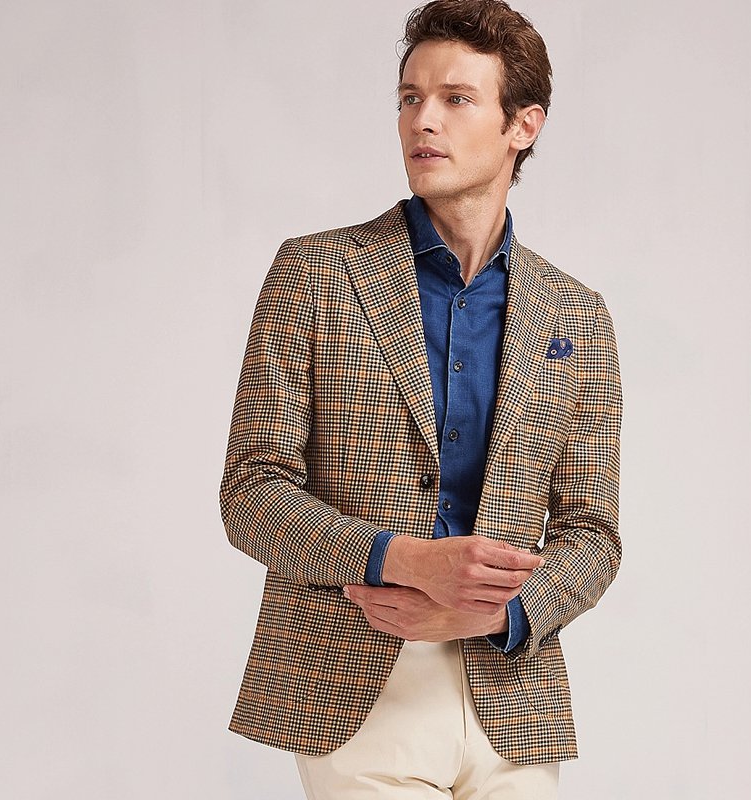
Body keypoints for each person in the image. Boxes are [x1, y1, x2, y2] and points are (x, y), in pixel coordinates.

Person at [218, 1, 622, 796]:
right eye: (410, 97)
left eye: (455, 98)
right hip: (354, 682)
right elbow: (250, 492)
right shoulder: (316, 274)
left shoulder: (576, 316)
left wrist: (494, 613)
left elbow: (593, 534)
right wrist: (403, 561)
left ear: (523, 125)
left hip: (511, 692)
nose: (422, 120)